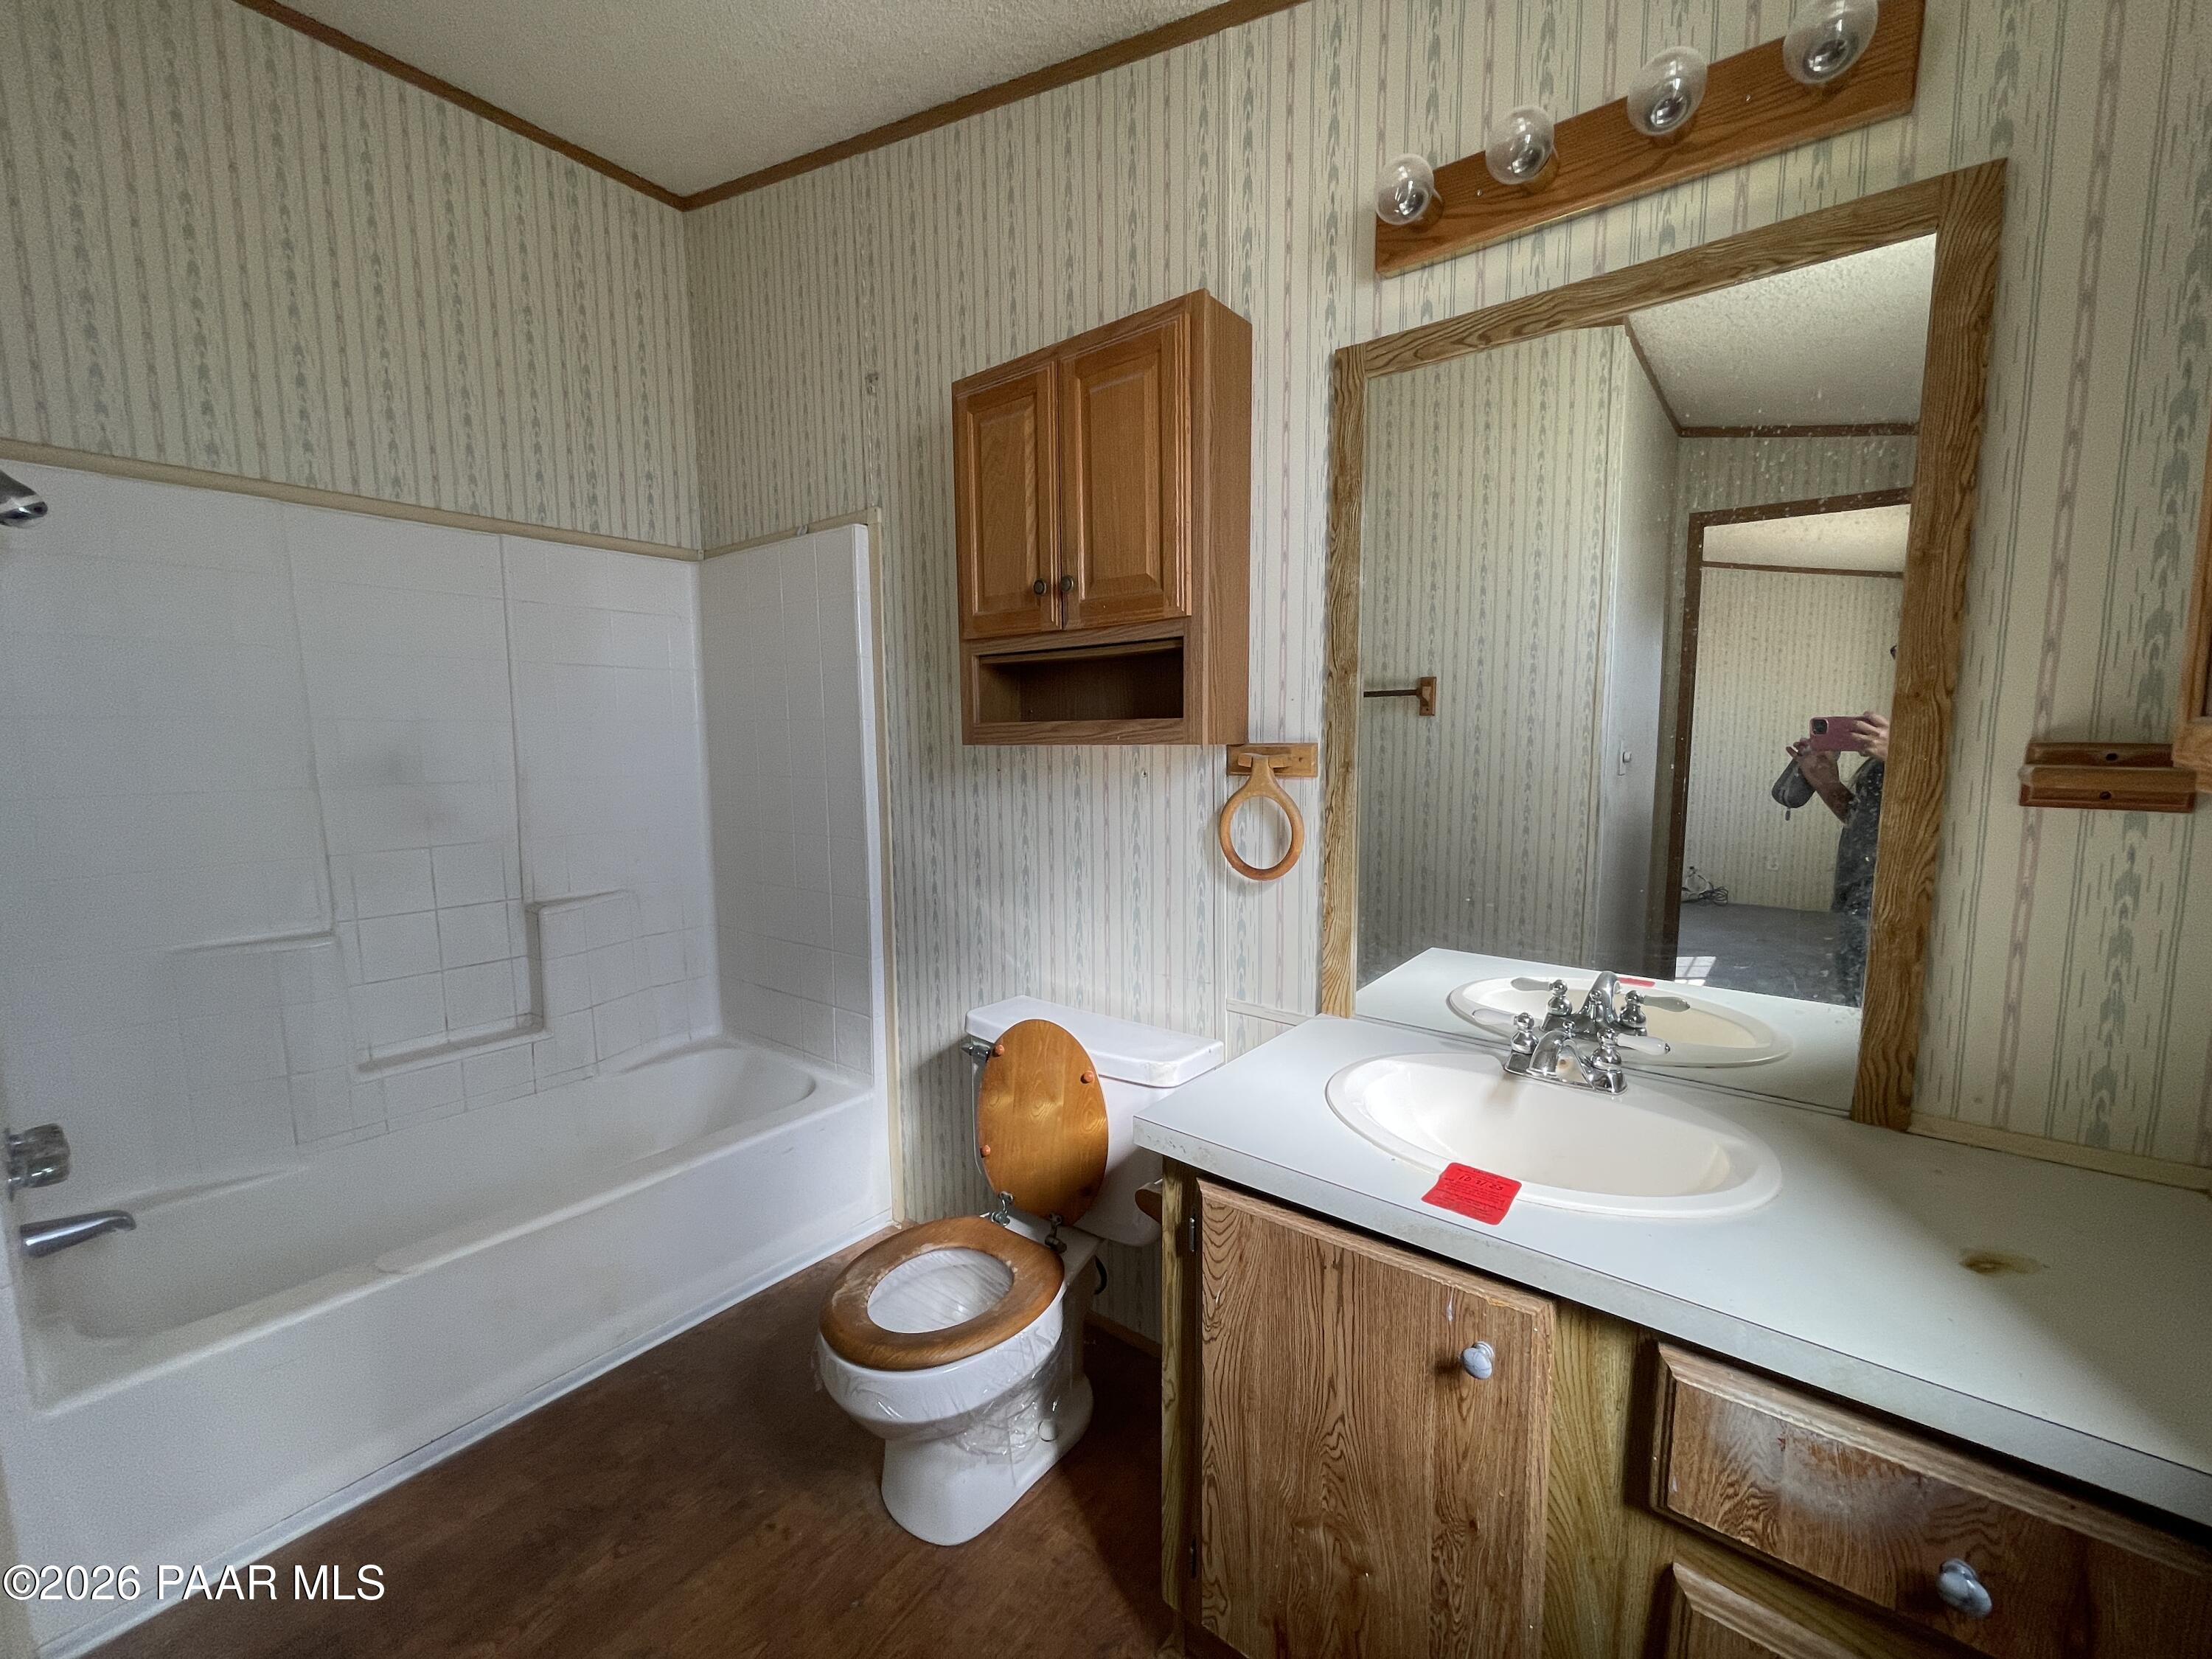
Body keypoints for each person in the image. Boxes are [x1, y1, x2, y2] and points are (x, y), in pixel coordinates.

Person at [1787, 711, 1889, 1004]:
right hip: (1856, 892)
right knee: (1853, 988)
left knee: (1873, 1002)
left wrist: (1904, 756)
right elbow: (1861, 820)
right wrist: (1825, 781)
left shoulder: (1940, 747)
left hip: (1888, 897)